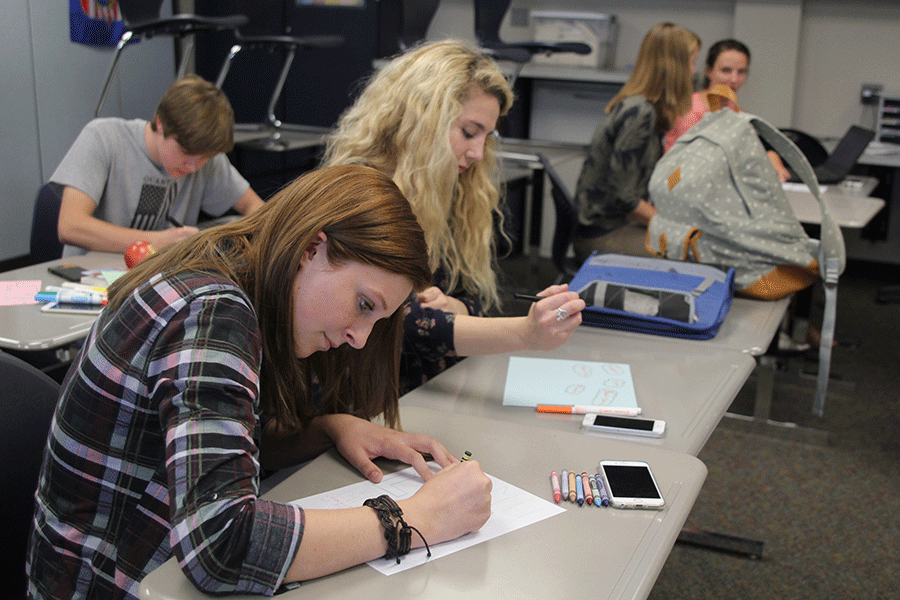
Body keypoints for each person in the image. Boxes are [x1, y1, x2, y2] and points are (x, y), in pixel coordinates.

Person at [27, 165, 493, 600]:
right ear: (312, 247)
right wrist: (416, 519)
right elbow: (222, 543)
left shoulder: (230, 271)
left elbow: (223, 454)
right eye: (364, 305)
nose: (359, 338)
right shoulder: (213, 311)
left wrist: (330, 428)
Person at [322, 40, 585, 394]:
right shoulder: (358, 190)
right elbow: (395, 324)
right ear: (424, 119)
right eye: (469, 132)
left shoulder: (452, 189)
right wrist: (525, 332)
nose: (478, 153)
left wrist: (455, 305)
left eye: (486, 138)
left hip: (435, 384)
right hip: (370, 393)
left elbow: (475, 295)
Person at [53, 74, 265, 257]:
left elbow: (257, 209)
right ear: (161, 122)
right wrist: (156, 241)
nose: (193, 166)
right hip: (89, 281)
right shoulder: (104, 137)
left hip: (155, 282)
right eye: (186, 152)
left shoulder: (204, 155)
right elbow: (70, 226)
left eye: (204, 158)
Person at [573, 23, 701, 262]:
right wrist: (674, 229)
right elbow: (625, 198)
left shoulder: (639, 107)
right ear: (674, 67)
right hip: (602, 234)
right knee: (691, 252)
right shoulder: (640, 113)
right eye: (691, 63)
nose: (693, 72)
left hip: (611, 226)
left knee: (689, 241)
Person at [664, 39, 791, 181]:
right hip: (676, 185)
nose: (734, 79)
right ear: (708, 71)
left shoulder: (738, 115)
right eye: (726, 70)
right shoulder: (688, 109)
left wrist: (770, 156)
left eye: (741, 72)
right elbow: (685, 168)